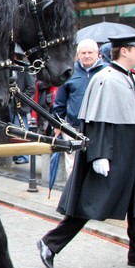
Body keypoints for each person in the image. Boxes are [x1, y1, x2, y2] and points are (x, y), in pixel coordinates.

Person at [37, 33, 135, 268]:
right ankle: (50, 243)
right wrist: (98, 154)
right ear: (125, 51)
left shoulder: (133, 79)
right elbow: (96, 121)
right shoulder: (106, 79)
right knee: (93, 200)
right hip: (115, 152)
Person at [51, 38, 107, 176]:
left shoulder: (106, 71)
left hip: (99, 126)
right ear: (78, 55)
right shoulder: (70, 72)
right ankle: (72, 195)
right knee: (73, 167)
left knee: (96, 164)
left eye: (90, 52)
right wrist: (57, 124)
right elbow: (60, 102)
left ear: (97, 53)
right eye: (83, 53)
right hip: (73, 127)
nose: (87, 56)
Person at [9, 49, 35, 164]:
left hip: (20, 106)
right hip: (8, 104)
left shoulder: (25, 69)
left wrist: (20, 97)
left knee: (21, 130)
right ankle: (15, 154)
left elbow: (31, 87)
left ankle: (23, 156)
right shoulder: (8, 69)